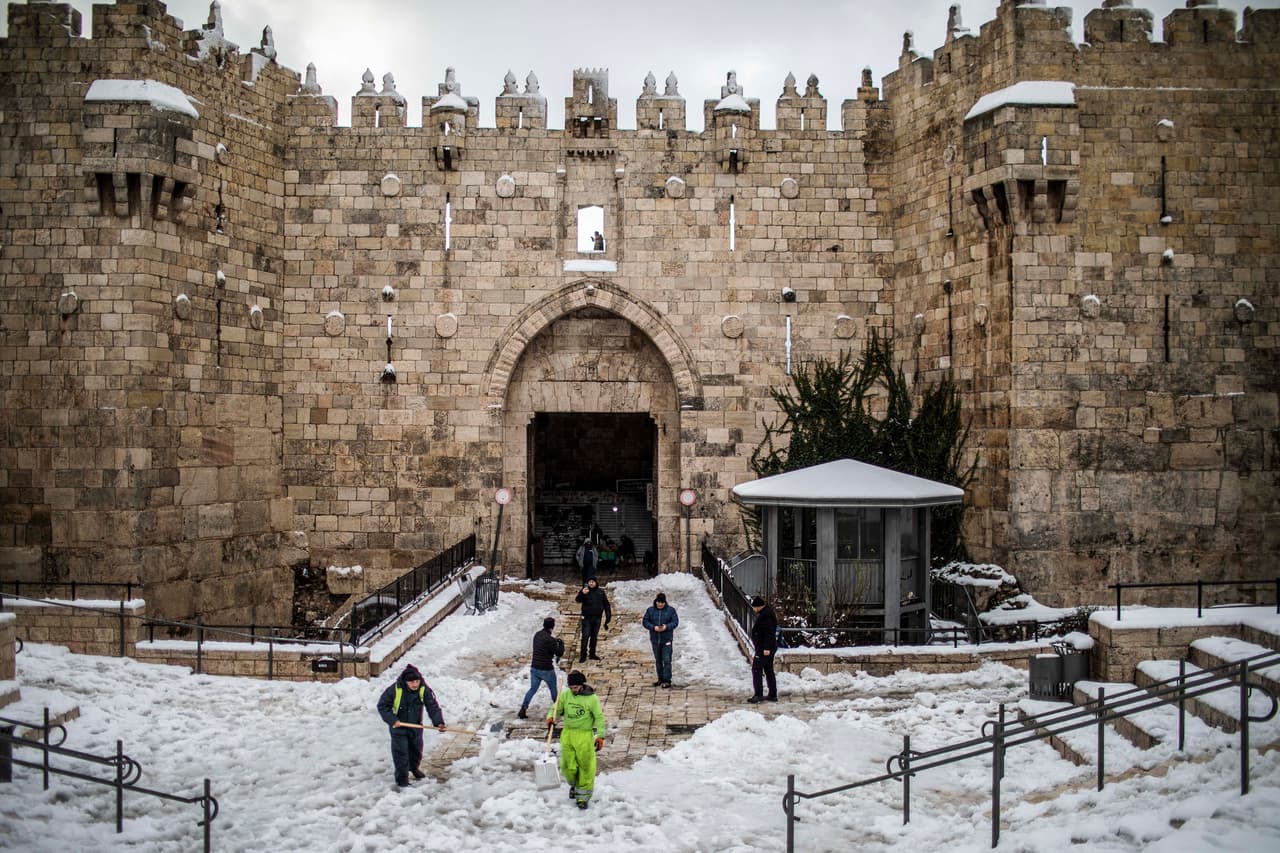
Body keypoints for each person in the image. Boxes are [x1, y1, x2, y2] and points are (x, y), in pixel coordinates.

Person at [376, 664, 446, 788]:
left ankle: (413, 768)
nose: (415, 684)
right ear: (406, 682)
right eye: (412, 682)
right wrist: (392, 720)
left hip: (415, 726)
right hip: (398, 727)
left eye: (417, 681)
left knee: (416, 750)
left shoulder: (423, 689)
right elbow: (382, 705)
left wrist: (438, 722)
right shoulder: (395, 689)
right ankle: (402, 778)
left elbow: (432, 706)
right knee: (401, 752)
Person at [547, 670, 606, 809]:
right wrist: (551, 717)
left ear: (582, 685)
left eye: (576, 687)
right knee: (568, 765)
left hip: (584, 736)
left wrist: (600, 736)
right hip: (568, 734)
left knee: (585, 766)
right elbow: (556, 709)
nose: (573, 690)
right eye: (571, 687)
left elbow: (599, 717)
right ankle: (574, 785)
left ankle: (582, 797)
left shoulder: (592, 699)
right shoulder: (565, 695)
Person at [520, 617, 565, 719]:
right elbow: (559, 653)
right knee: (553, 689)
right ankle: (559, 708)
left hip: (534, 668)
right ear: (553, 626)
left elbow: (543, 645)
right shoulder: (550, 640)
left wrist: (554, 641)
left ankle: (523, 708)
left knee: (532, 689)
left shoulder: (537, 635)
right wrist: (561, 644)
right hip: (546, 669)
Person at [642, 592, 678, 687]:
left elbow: (675, 622)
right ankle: (660, 679)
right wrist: (653, 627)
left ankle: (667, 680)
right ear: (656, 601)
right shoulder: (650, 610)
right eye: (659, 602)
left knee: (667, 660)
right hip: (655, 640)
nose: (660, 604)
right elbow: (645, 622)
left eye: (662, 602)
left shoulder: (671, 610)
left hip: (667, 640)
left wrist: (666, 627)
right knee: (658, 661)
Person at [747, 595, 779, 703]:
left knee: (756, 669)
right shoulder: (766, 613)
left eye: (754, 607)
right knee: (768, 669)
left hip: (764, 649)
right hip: (766, 647)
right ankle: (772, 694)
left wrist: (766, 648)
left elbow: (768, 633)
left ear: (758, 606)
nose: (753, 609)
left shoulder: (766, 616)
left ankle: (758, 694)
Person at [574, 578, 612, 662]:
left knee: (594, 636)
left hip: (597, 618)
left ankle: (592, 654)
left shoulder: (601, 592)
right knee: (585, 636)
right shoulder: (585, 591)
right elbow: (577, 600)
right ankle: (583, 655)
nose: (591, 583)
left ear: (596, 583)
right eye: (589, 582)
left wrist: (608, 616)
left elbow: (606, 605)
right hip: (586, 618)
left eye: (593, 582)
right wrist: (582, 593)